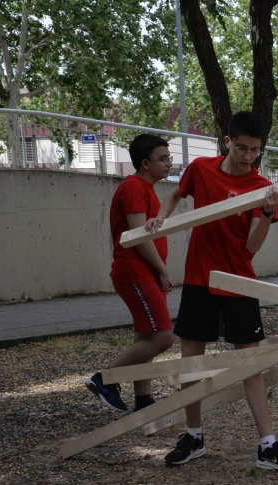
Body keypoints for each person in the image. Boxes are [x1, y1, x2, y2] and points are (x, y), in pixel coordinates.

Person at [147, 111, 278, 470]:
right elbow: (174, 195)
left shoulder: (262, 187)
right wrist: (160, 217)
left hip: (238, 282)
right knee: (191, 362)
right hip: (200, 279)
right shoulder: (201, 168)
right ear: (227, 142)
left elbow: (250, 248)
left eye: (255, 150)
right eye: (242, 148)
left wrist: (265, 213)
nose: (248, 157)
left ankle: (267, 444)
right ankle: (194, 436)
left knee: (251, 365)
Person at [85, 134, 177, 413]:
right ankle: (104, 379)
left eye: (169, 157)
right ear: (146, 163)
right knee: (163, 337)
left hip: (142, 272)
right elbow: (137, 237)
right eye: (163, 159)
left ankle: (143, 400)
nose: (169, 163)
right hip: (136, 272)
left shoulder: (145, 187)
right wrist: (162, 271)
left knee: (145, 338)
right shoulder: (135, 187)